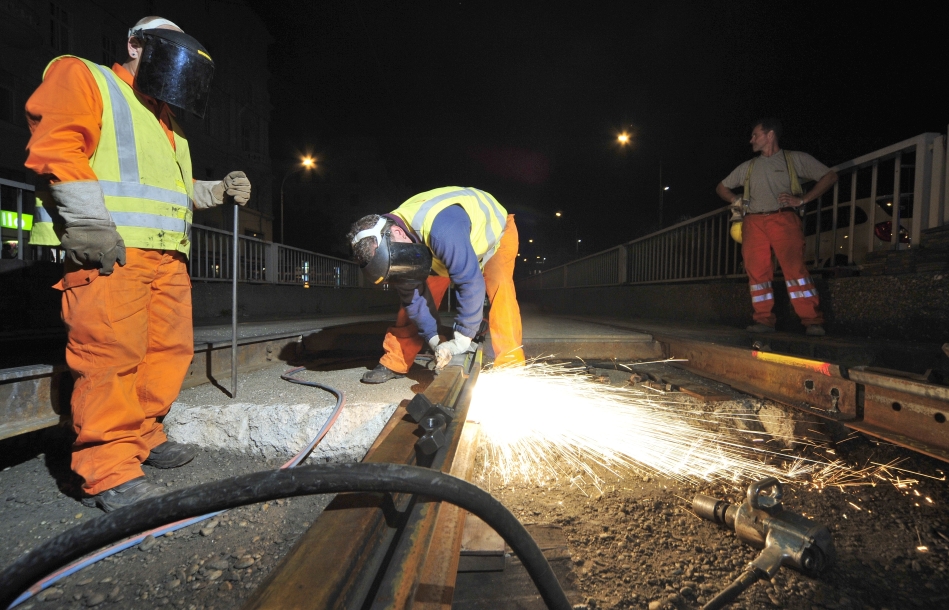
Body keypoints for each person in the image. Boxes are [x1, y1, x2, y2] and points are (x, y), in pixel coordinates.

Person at [24, 17, 251, 511]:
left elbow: (168, 189)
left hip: (167, 256)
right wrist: (86, 224)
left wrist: (215, 191)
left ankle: (145, 435)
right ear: (135, 44)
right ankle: (106, 468)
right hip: (112, 250)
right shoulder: (84, 76)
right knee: (110, 358)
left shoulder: (164, 118)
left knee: (166, 352)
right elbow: (58, 148)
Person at [348, 187, 525, 382]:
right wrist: (435, 343)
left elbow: (469, 281)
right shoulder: (395, 245)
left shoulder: (443, 229)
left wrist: (462, 340)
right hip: (439, 246)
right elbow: (414, 301)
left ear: (397, 231)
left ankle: (510, 364)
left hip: (496, 235)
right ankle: (396, 360)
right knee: (414, 301)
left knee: (501, 289)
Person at [716, 118, 837, 336]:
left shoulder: (794, 159)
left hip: (784, 219)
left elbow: (830, 176)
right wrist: (736, 200)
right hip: (753, 222)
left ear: (770, 135)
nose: (751, 140)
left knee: (795, 271)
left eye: (755, 135)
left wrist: (802, 200)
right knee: (757, 273)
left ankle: (812, 321)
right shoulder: (749, 166)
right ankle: (763, 321)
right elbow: (721, 187)